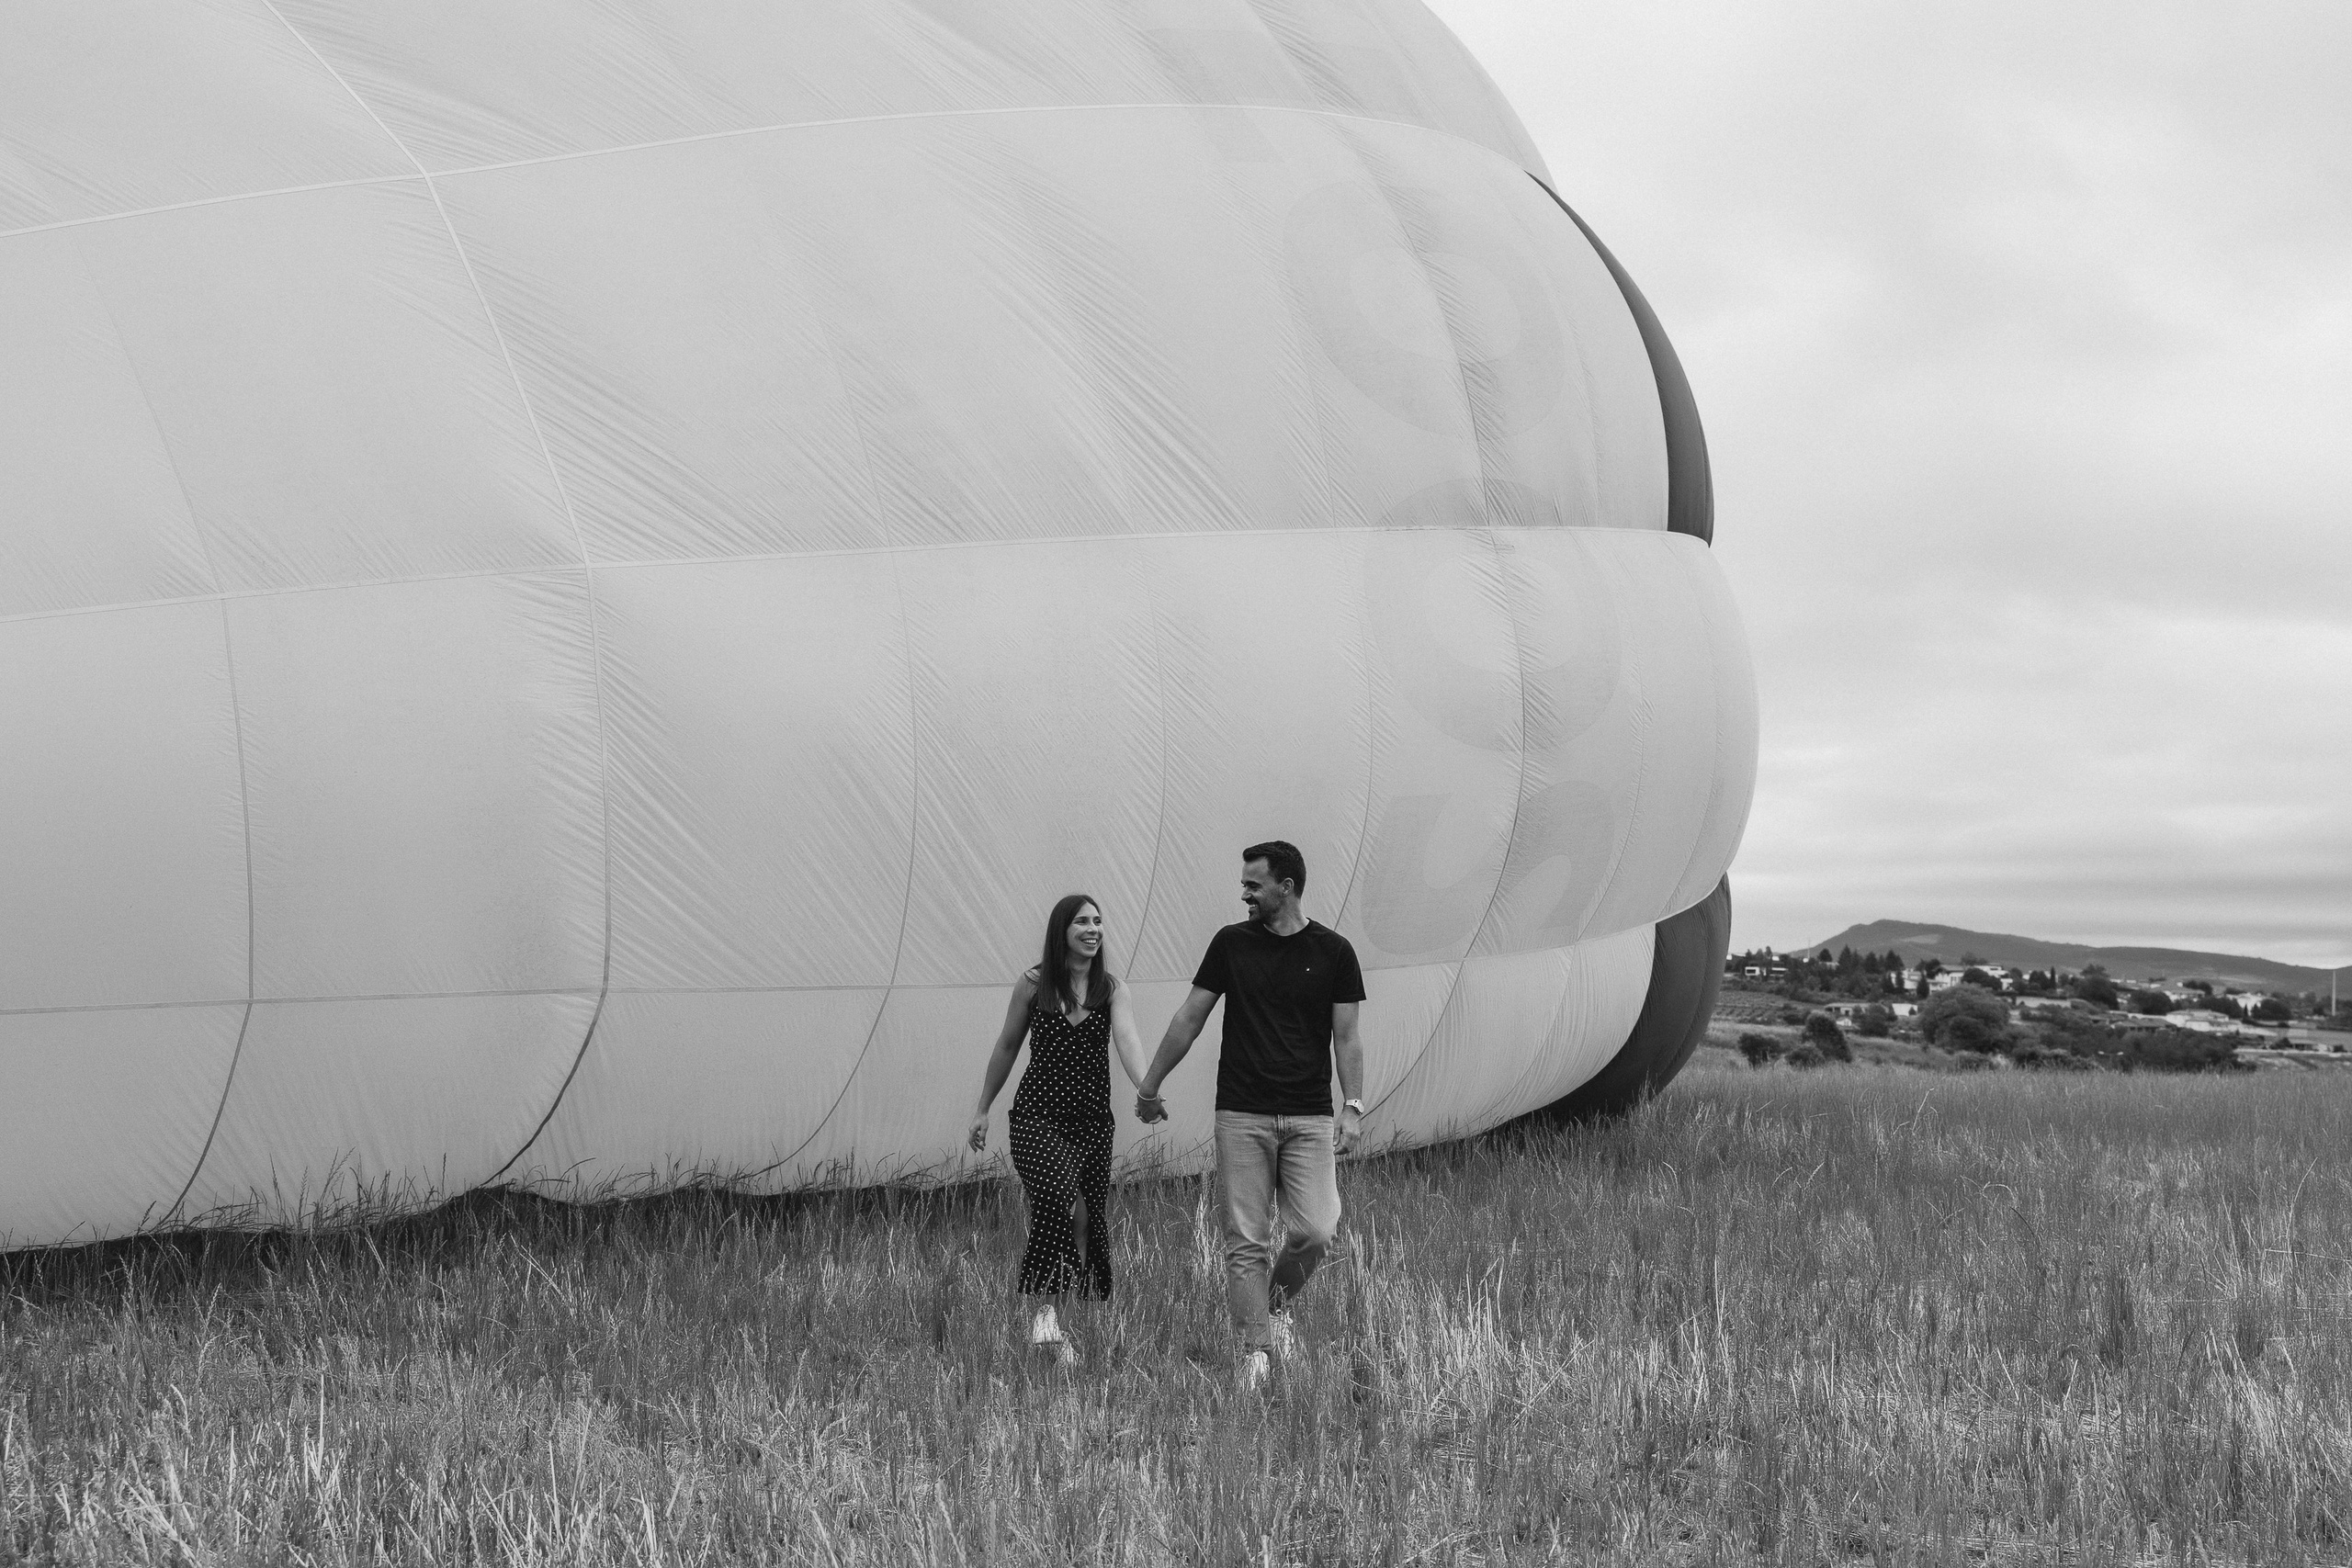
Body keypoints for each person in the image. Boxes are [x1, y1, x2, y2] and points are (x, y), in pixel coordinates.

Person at [1134, 840, 1365, 1389]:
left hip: (1309, 1115)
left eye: (1254, 885)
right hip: (1241, 1113)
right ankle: (1255, 1351)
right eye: (1245, 885)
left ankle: (1273, 1309)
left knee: (1316, 1229)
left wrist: (1352, 1106)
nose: (1245, 893)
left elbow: (1348, 1038)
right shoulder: (1231, 945)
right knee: (1246, 1238)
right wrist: (1150, 1083)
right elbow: (1189, 1017)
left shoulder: (1335, 952)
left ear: (1286, 886)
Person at [968, 893, 1151, 1365]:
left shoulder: (1112, 990)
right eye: (1082, 923)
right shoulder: (1033, 986)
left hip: (1092, 1123)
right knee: (1059, 1196)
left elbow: (1128, 1043)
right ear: (1062, 932)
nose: (1093, 930)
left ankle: (1062, 1327)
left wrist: (1148, 1090)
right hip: (1036, 1117)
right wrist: (983, 1109)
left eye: (1098, 922)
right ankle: (1044, 1312)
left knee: (1085, 1218)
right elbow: (1007, 1045)